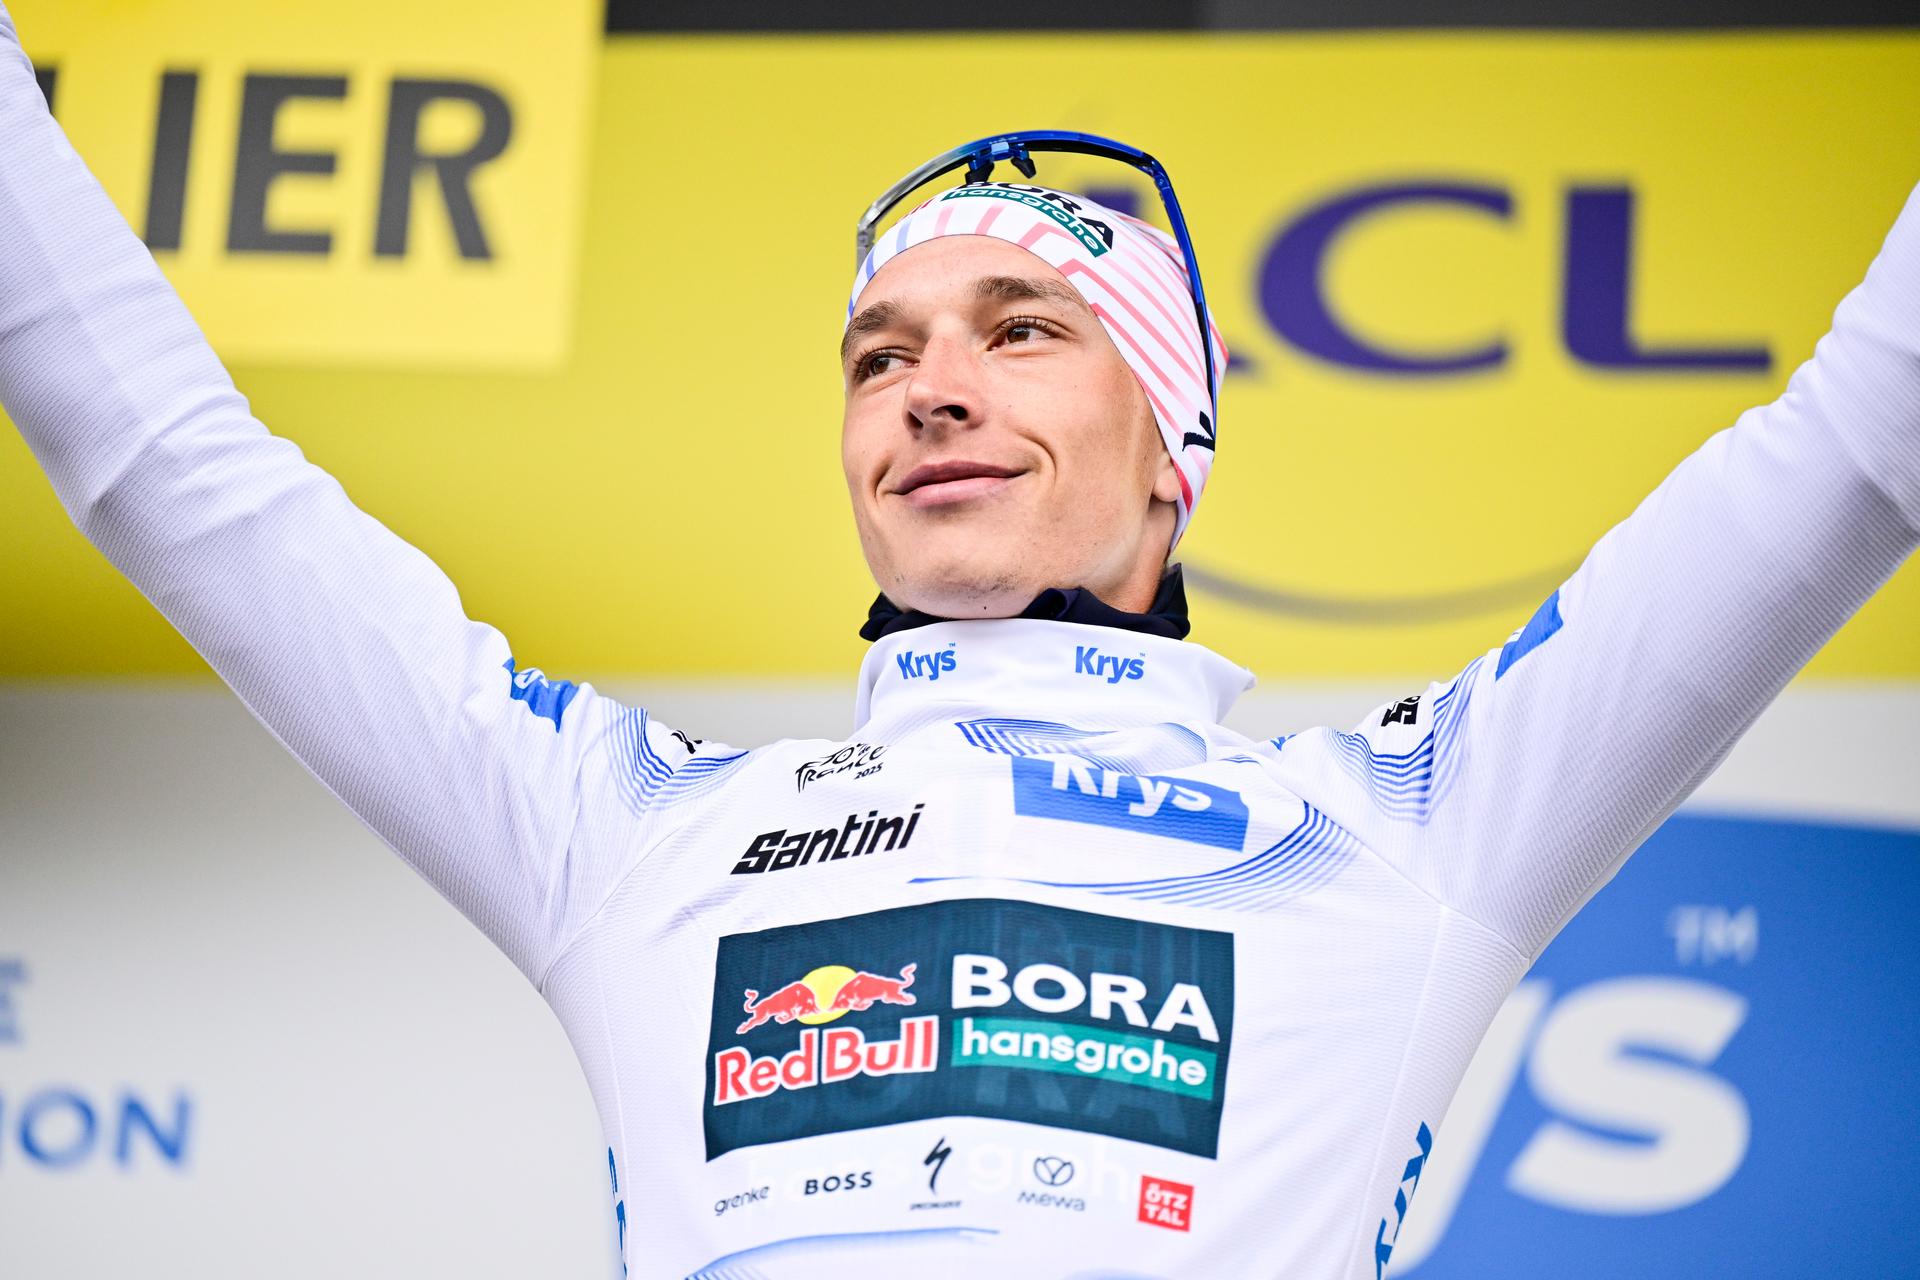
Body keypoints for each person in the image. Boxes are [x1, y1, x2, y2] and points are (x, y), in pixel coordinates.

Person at [2, 7, 1915, 1276]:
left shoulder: (1418, 822)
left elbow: (1850, 450)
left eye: (1021, 331)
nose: (929, 392)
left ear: (1176, 458)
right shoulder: (634, 829)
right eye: (878, 357)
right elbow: (178, 473)